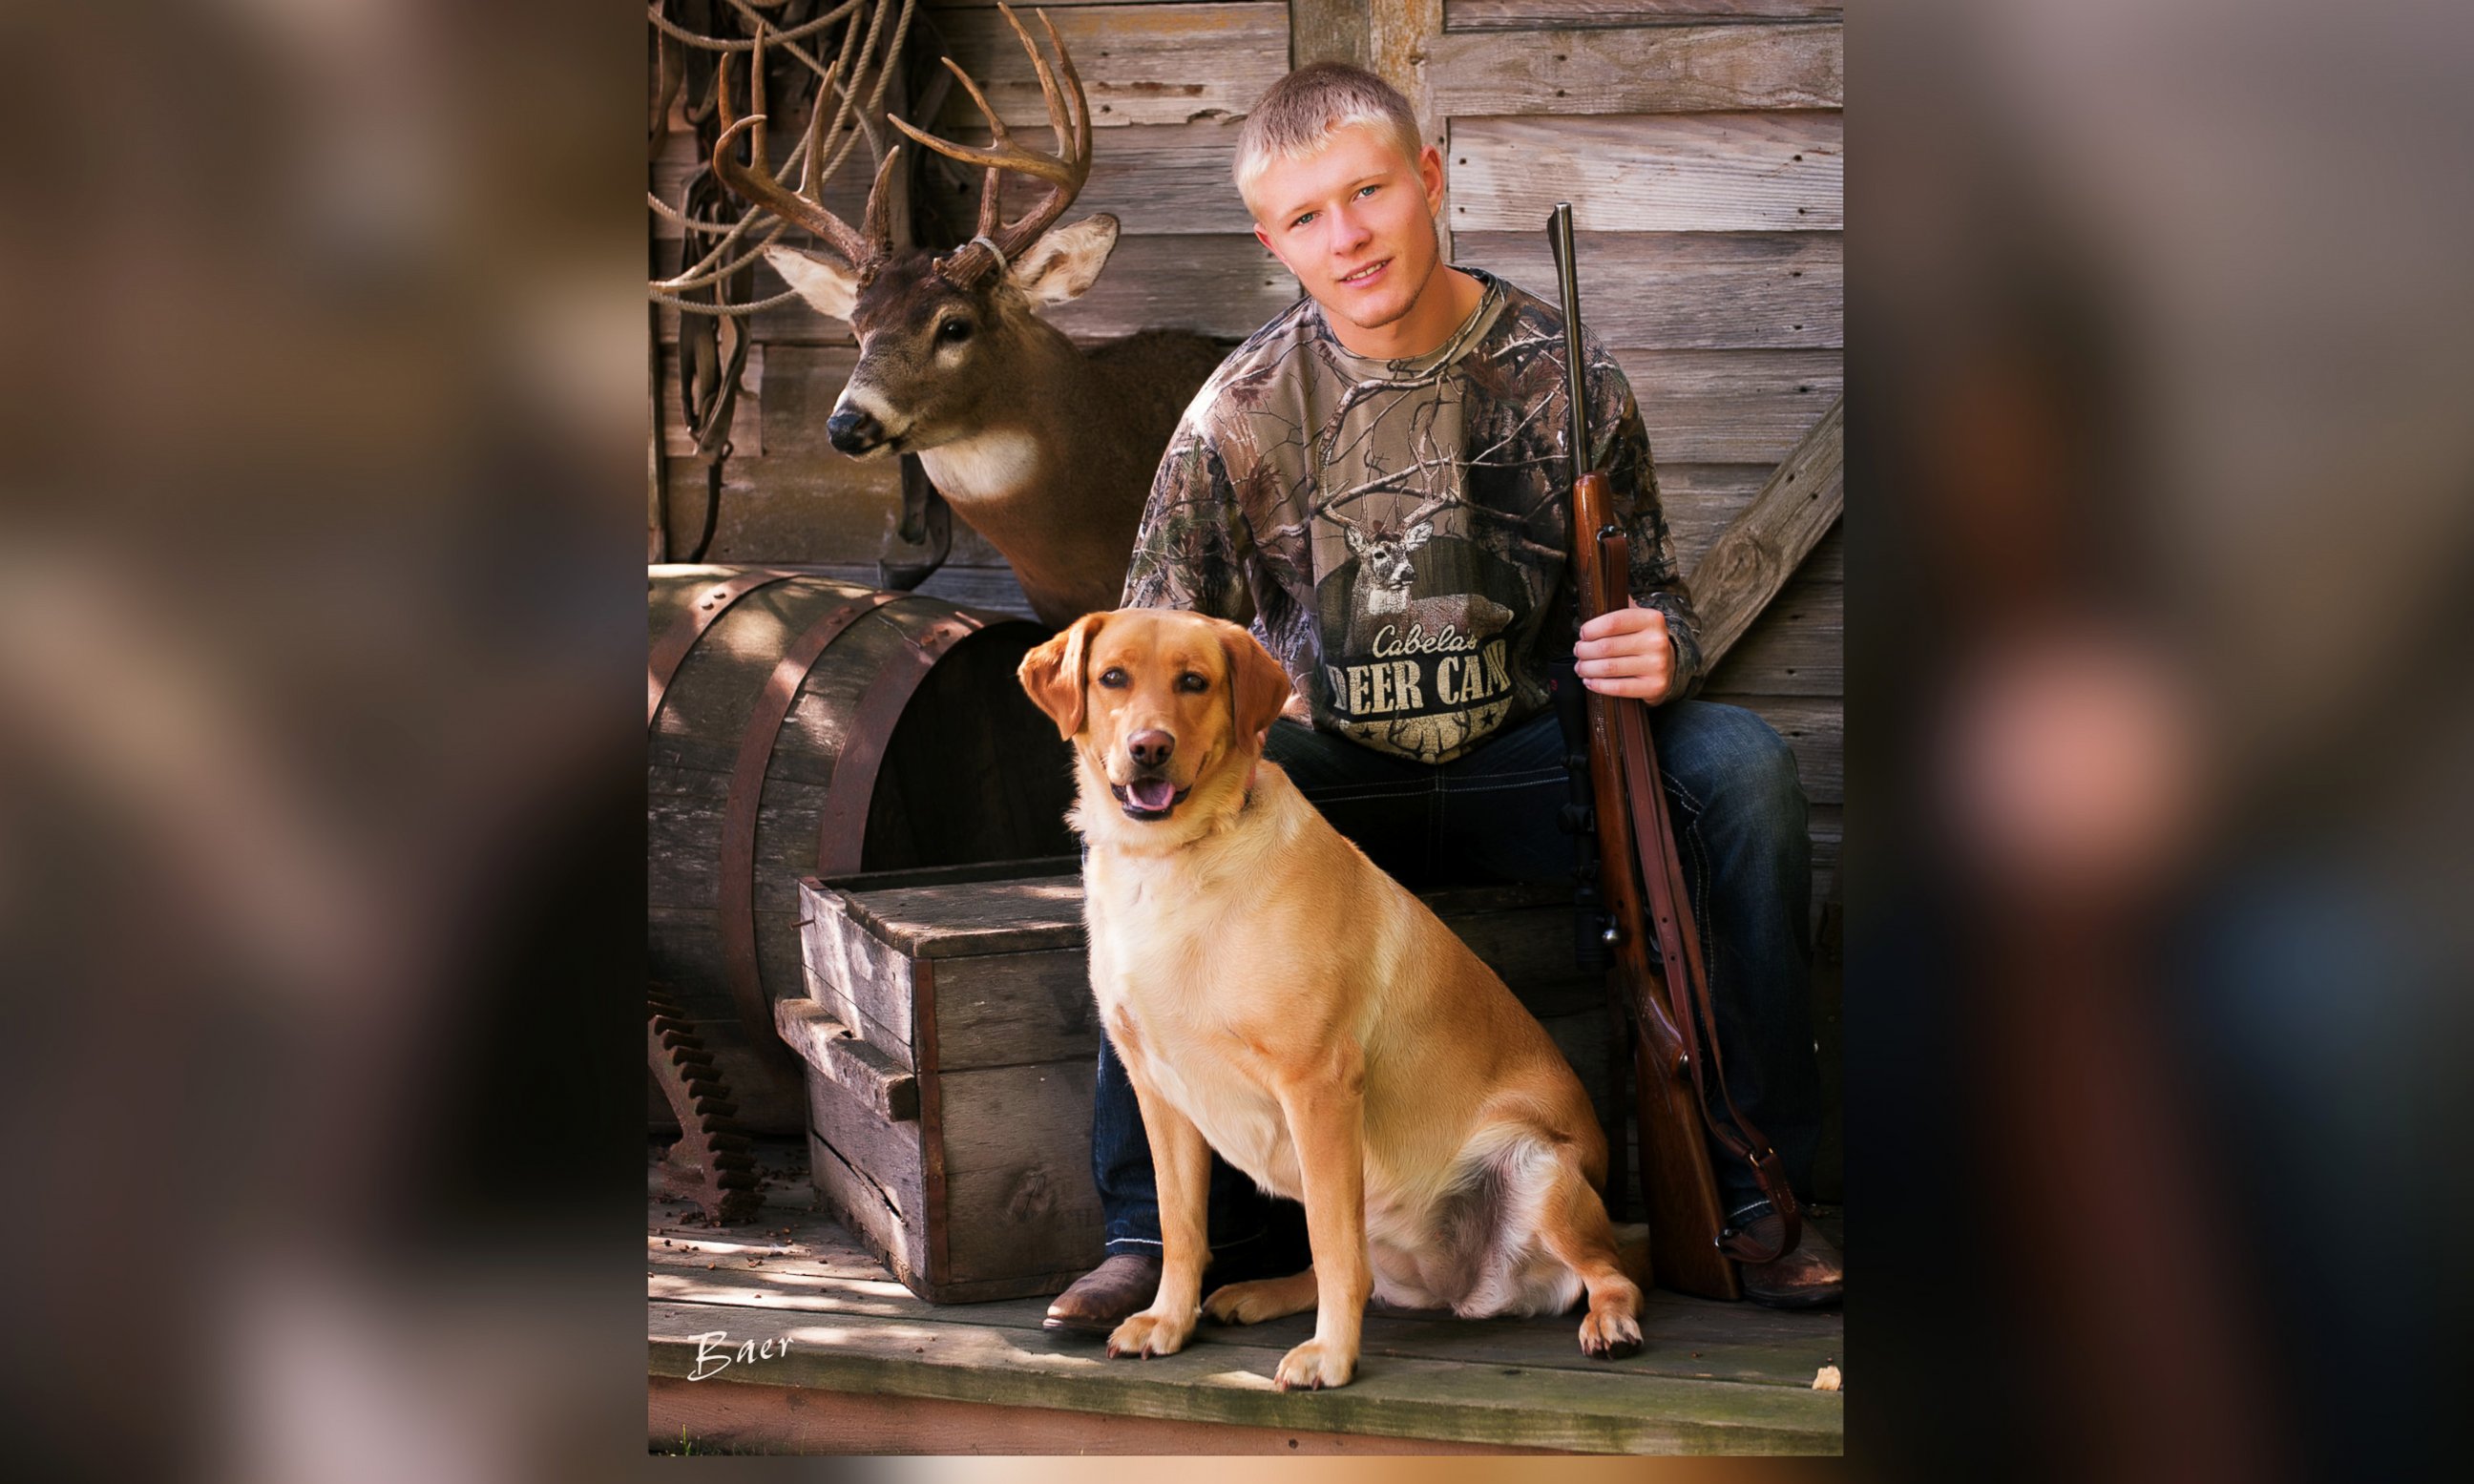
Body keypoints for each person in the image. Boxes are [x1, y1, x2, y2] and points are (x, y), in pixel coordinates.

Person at [1042, 63, 1842, 1330]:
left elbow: (1661, 596)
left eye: (1367, 192)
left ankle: (1759, 1190)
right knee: (1142, 845)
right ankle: (1154, 1236)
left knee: (1739, 766)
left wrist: (1662, 649)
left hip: (1527, 758)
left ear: (1427, 179)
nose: (1346, 236)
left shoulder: (1561, 374)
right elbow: (1145, 646)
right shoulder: (1232, 418)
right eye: (1306, 216)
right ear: (1271, 240)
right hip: (1323, 777)